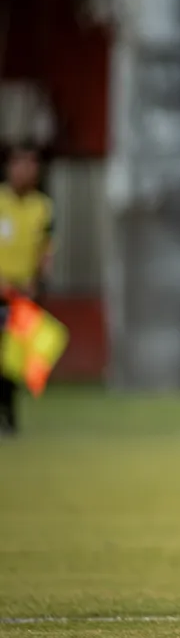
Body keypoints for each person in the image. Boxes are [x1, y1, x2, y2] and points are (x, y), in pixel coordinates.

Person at [0, 143, 54, 437]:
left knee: (13, 360)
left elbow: (46, 249)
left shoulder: (42, 207)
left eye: (32, 165)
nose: (26, 171)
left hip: (23, 295)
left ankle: (9, 417)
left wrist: (38, 279)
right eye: (20, 164)